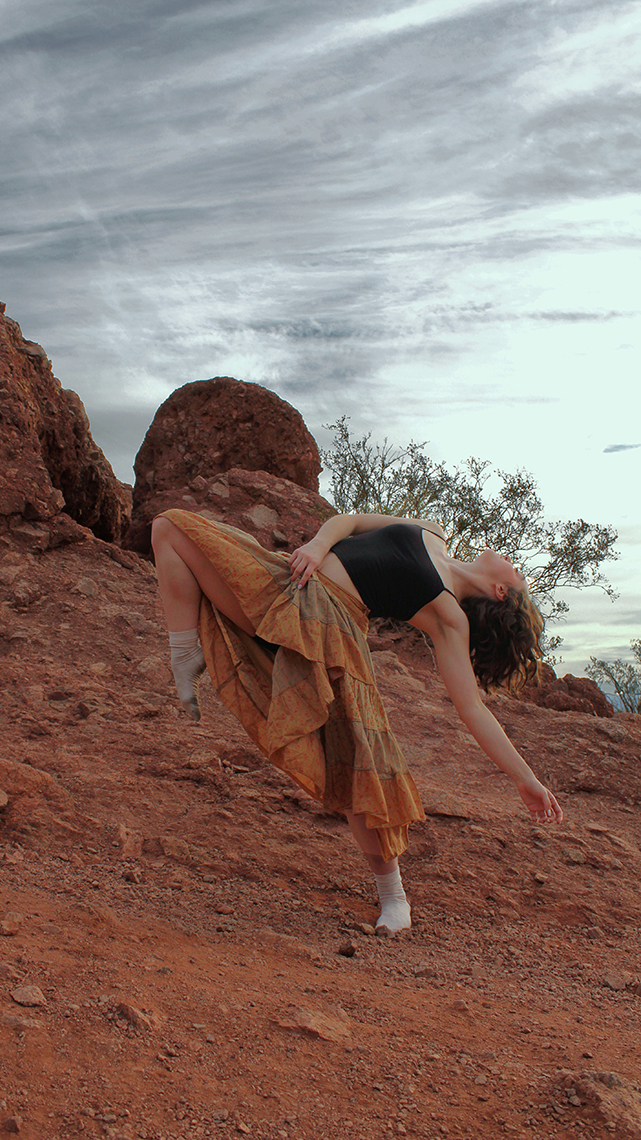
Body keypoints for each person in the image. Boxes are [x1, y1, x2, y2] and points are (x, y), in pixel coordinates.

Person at [151, 509, 563, 934]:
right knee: (170, 527)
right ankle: (185, 652)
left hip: (333, 630)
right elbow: (350, 520)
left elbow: (472, 708)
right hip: (291, 581)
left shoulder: (449, 617)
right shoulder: (434, 533)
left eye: (519, 578)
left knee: (360, 764)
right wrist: (316, 545)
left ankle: (394, 898)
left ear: (499, 591)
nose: (517, 567)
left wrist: (524, 778)